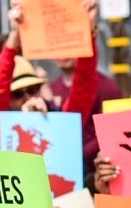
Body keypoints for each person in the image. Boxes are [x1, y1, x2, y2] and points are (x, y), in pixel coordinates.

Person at [0, 0, 100, 151]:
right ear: (7, 102)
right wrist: (15, 35)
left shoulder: (61, 126)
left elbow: (85, 86)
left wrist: (89, 29)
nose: (27, 98)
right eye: (17, 94)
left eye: (32, 90)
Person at [49, 53, 122, 181]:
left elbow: (113, 131)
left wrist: (76, 154)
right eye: (57, 48)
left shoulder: (108, 88)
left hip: (99, 174)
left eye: (69, 47)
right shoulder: (52, 88)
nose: (62, 53)